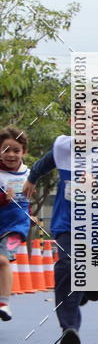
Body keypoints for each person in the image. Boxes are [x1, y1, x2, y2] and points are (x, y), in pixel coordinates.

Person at [23, 122, 98, 344]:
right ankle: (70, 330)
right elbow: (44, 163)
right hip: (67, 223)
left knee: (95, 285)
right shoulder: (62, 145)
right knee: (67, 266)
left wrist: (97, 183)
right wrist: (31, 178)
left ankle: (89, 287)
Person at [0, 127, 32, 322]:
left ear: (24, 152)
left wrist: (29, 215)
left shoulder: (29, 174)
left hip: (16, 229)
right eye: (5, 149)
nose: (11, 154)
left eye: (16, 150)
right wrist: (4, 199)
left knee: (3, 260)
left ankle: (4, 304)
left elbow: (25, 201)